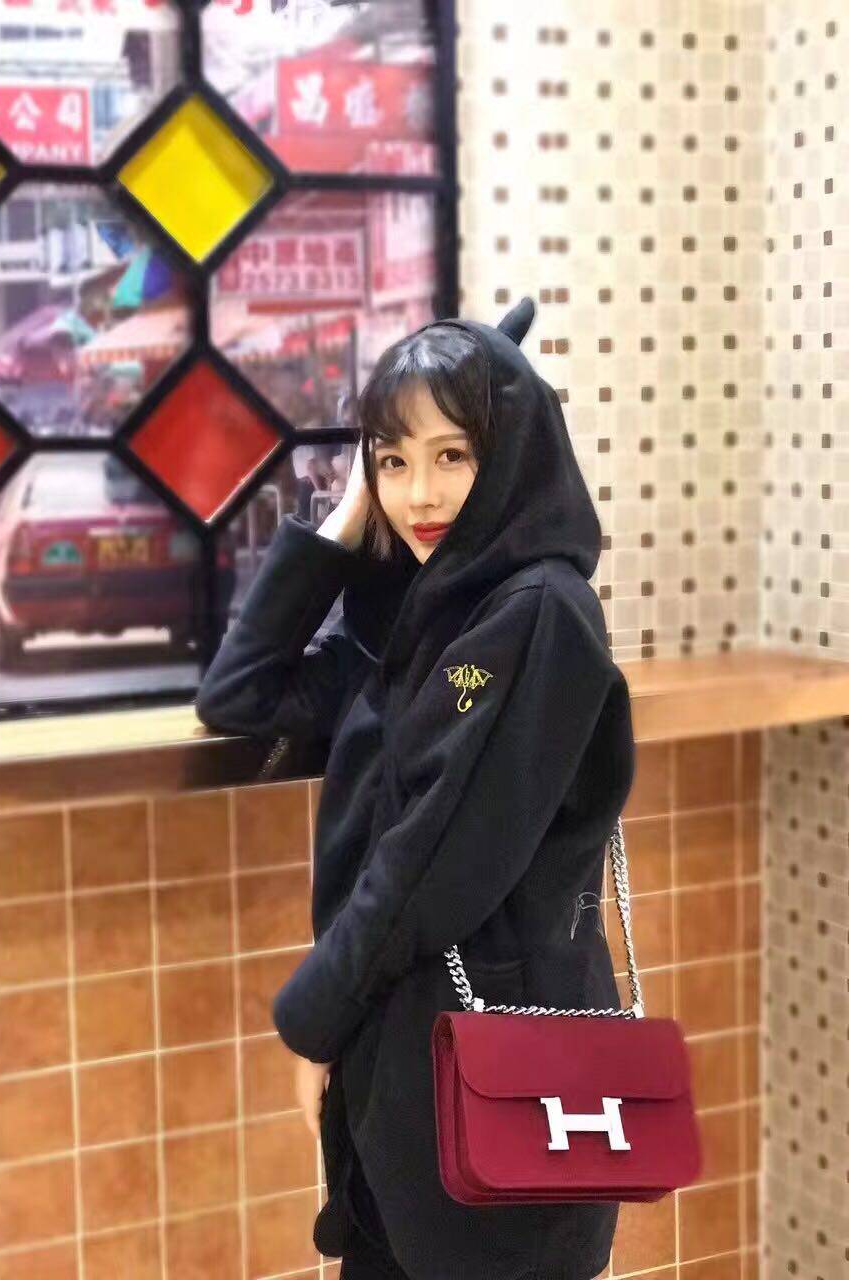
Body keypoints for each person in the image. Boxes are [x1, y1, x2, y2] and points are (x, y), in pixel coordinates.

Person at [195, 298, 637, 1280]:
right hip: (407, 1077)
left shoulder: (541, 614)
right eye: (393, 460)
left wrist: (316, 1019)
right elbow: (241, 693)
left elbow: (430, 858)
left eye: (453, 455)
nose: (420, 492)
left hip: (507, 1079)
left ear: (513, 456)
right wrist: (346, 518)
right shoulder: (415, 620)